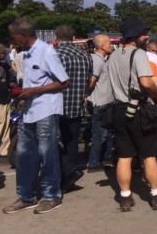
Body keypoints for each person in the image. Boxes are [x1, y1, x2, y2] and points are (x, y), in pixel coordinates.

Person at [3, 19, 70, 214]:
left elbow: (64, 81)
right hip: (28, 110)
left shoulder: (46, 51)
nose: (12, 40)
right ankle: (26, 196)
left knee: (47, 153)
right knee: (24, 155)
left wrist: (35, 91)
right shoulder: (25, 54)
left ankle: (51, 195)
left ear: (23, 35)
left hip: (46, 110)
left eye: (13, 36)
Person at [108, 17, 157, 211]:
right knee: (148, 155)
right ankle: (156, 194)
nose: (147, 37)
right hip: (139, 110)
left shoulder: (114, 56)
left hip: (119, 109)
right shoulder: (139, 54)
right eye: (144, 33)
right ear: (135, 36)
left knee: (124, 156)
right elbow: (146, 82)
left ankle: (125, 197)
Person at [55, 25, 92, 191]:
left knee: (56, 142)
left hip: (57, 105)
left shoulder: (56, 54)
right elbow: (90, 80)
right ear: (74, 37)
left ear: (56, 37)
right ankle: (72, 172)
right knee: (72, 142)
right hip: (77, 105)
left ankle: (65, 173)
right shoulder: (84, 55)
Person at [86, 34, 115, 173]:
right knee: (99, 134)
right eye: (109, 43)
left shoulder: (101, 59)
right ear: (102, 45)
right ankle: (93, 163)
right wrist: (87, 93)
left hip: (104, 102)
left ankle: (104, 159)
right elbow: (92, 80)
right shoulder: (97, 60)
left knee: (106, 133)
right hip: (100, 102)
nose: (111, 45)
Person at [0, 44, 12, 158]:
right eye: (2, 53)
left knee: (5, 126)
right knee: (1, 124)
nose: (4, 55)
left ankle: (4, 150)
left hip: (4, 99)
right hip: (0, 100)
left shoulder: (4, 66)